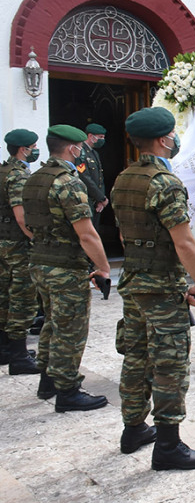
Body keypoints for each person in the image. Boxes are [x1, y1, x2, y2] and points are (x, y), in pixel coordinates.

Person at [111, 107, 195, 468]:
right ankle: (168, 446)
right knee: (169, 364)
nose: (174, 139)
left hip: (135, 282)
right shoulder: (165, 183)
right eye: (171, 134)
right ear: (162, 139)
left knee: (136, 358)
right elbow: (184, 241)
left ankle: (133, 428)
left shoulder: (123, 178)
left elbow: (124, 234)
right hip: (161, 289)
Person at [22, 124, 112, 411]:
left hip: (39, 261)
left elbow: (25, 222)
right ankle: (68, 389)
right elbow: (86, 233)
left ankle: (48, 380)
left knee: (51, 322)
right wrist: (103, 267)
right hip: (65, 267)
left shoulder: (35, 178)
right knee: (70, 330)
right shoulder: (69, 182)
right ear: (73, 148)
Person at [0, 129, 41, 375]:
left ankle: (5, 347)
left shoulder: (3, 171)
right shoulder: (17, 176)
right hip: (16, 246)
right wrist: (36, 239)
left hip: (3, 243)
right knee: (23, 298)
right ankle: (19, 355)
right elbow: (21, 216)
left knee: (4, 295)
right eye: (33, 146)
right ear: (23, 149)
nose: (35, 151)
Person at [75, 123, 108, 230]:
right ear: (90, 136)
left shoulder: (94, 153)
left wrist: (101, 199)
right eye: (100, 137)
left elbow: (99, 179)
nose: (102, 140)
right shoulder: (81, 153)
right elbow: (84, 177)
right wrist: (100, 197)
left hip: (96, 202)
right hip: (86, 200)